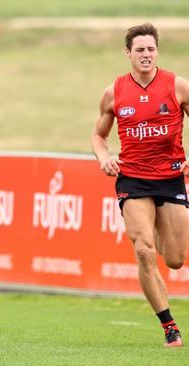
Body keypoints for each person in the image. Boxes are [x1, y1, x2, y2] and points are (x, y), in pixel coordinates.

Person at [91, 23, 189, 348]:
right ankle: (169, 326)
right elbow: (98, 135)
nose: (146, 55)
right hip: (132, 177)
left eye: (150, 49)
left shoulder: (177, 86)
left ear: (157, 50)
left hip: (171, 176)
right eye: (139, 50)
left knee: (174, 259)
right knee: (144, 250)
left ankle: (159, 227)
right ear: (128, 53)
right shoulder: (114, 92)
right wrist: (104, 157)